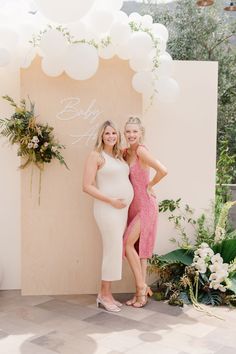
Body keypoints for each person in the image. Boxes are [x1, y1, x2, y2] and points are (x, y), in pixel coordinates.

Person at [83, 120, 134, 313]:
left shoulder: (119, 156)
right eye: (107, 134)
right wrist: (111, 200)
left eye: (114, 133)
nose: (111, 136)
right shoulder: (96, 156)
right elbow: (86, 186)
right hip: (107, 209)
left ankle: (106, 294)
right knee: (112, 249)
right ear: (101, 136)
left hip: (121, 210)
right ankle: (104, 295)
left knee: (114, 249)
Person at [123, 116, 168, 308]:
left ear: (141, 133)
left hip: (146, 206)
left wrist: (150, 185)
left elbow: (163, 170)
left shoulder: (141, 151)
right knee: (139, 251)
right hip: (133, 207)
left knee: (126, 244)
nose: (131, 134)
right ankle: (140, 295)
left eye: (135, 131)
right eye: (128, 131)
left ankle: (142, 288)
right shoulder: (126, 153)